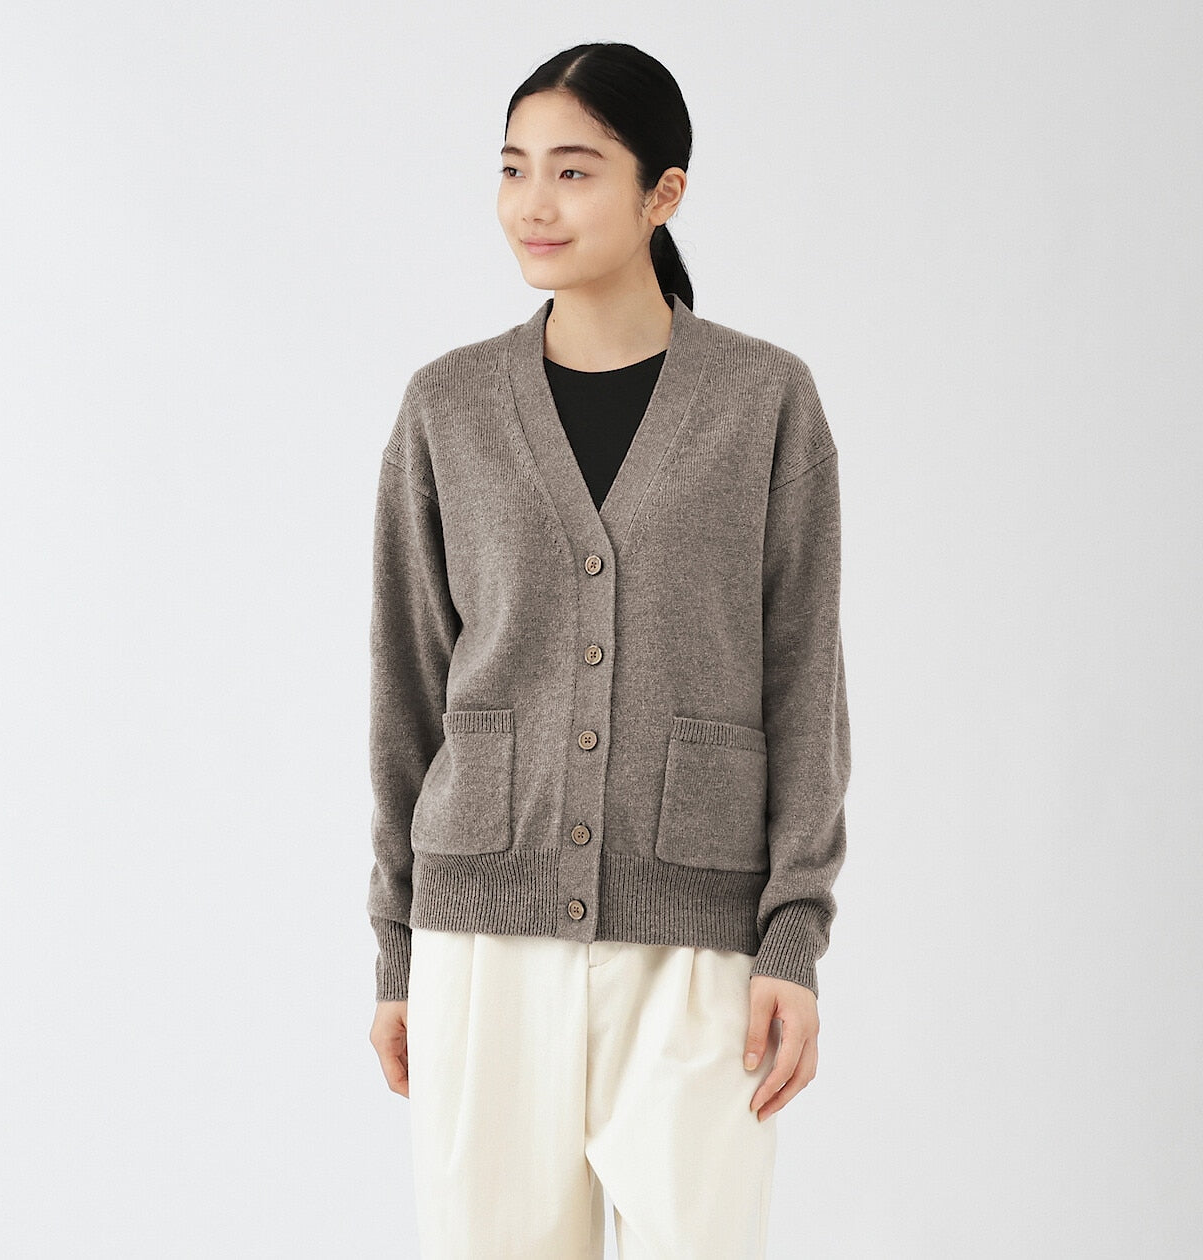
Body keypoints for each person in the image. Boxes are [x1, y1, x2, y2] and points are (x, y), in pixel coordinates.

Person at [366, 41, 851, 1259]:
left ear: (661, 193)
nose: (534, 203)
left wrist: (792, 938)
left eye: (575, 171)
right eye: (514, 168)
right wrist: (397, 953)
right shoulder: (446, 407)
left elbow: (805, 682)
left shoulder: (764, 402)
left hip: (697, 944)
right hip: (483, 942)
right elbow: (406, 689)